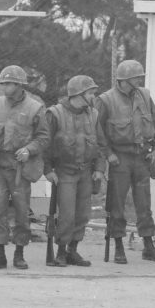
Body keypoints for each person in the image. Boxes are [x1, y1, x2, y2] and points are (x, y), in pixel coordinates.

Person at [0, 65, 50, 270]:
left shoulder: (35, 108)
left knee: (21, 213)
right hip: (0, 166)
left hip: (20, 169)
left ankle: (19, 254)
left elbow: (43, 137)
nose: (5, 87)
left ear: (19, 85)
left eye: (9, 83)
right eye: (3, 83)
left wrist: (29, 149)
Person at [97, 59, 155, 263]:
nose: (140, 80)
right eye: (137, 77)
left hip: (142, 157)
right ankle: (119, 246)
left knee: (144, 204)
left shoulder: (144, 95)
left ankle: (148, 245)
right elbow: (98, 131)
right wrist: (108, 154)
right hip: (120, 158)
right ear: (125, 79)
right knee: (117, 204)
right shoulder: (106, 100)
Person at [43, 75, 106, 268]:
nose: (94, 96)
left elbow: (101, 144)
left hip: (86, 171)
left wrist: (99, 168)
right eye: (90, 92)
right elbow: (45, 143)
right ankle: (61, 251)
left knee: (82, 214)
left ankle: (73, 250)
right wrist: (48, 170)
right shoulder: (55, 114)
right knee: (67, 214)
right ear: (79, 94)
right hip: (64, 171)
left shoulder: (93, 114)